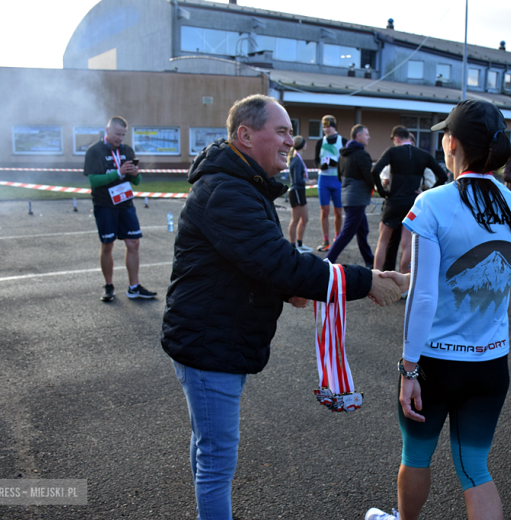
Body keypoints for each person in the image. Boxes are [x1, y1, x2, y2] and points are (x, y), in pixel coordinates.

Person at [160, 94, 406, 520]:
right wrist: (366, 282)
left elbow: (252, 263)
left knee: (209, 450)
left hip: (217, 338)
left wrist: (288, 289)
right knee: (217, 461)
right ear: (245, 135)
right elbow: (276, 261)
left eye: (292, 132)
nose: (292, 141)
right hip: (209, 343)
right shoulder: (227, 190)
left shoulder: (240, 184)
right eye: (282, 131)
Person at [366, 100, 511, 520]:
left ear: (451, 142)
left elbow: (425, 297)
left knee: (415, 458)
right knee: (475, 469)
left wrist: (408, 367)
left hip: (436, 362)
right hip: (491, 362)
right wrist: (405, 280)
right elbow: (472, 276)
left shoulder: (433, 202)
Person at [84, 116, 156, 302]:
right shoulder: (94, 151)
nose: (120, 138)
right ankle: (109, 286)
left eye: (123, 135)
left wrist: (135, 174)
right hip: (105, 204)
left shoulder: (127, 150)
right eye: (117, 134)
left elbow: (137, 182)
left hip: (125, 203)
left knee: (133, 243)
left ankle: (134, 287)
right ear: (107, 130)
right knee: (107, 245)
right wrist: (118, 172)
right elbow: (93, 181)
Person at [371, 126, 447, 274]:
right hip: (412, 203)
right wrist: (426, 193)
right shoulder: (422, 155)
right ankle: (404, 285)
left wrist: (383, 192)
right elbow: (442, 176)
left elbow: (375, 170)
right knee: (408, 245)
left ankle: (375, 278)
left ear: (397, 139)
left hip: (393, 201)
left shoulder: (393, 151)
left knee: (383, 242)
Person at [325, 124, 375, 266]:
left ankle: (369, 260)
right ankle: (328, 260)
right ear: (358, 136)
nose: (369, 137)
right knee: (347, 233)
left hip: (347, 196)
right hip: (357, 199)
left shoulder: (343, 154)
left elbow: (340, 177)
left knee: (362, 230)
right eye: (367, 134)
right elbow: (369, 177)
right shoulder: (362, 154)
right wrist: (379, 187)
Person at [314, 115, 346, 252]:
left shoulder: (342, 141)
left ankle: (337, 239)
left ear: (334, 126)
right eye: (324, 127)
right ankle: (325, 240)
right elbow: (316, 159)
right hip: (324, 179)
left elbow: (346, 161)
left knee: (338, 211)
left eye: (328, 126)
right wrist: (321, 166)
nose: (326, 129)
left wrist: (336, 164)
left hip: (337, 180)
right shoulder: (320, 142)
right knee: (324, 211)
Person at [287, 136, 312, 253]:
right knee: (295, 220)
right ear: (302, 145)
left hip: (300, 191)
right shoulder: (296, 160)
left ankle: (300, 244)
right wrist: (309, 182)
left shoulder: (298, 158)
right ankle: (293, 246)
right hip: (296, 191)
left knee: (305, 218)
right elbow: (297, 180)